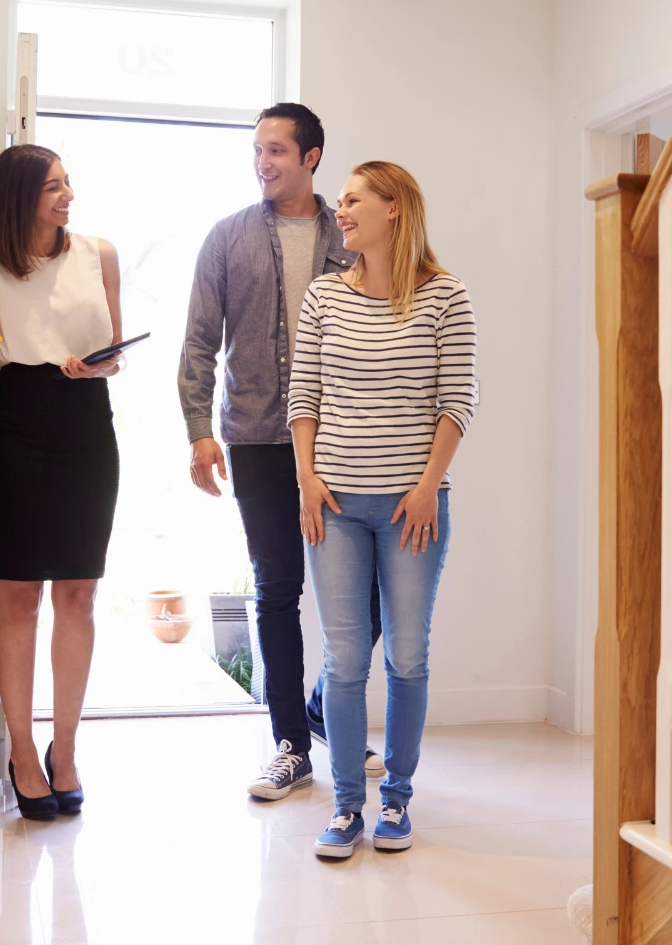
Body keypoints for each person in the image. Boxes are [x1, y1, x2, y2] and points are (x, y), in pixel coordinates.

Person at [179, 103, 385, 800]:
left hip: (347, 436)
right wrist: (199, 430)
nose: (264, 163)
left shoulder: (354, 238)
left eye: (277, 151)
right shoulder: (228, 238)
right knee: (276, 590)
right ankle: (291, 744)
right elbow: (201, 341)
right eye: (258, 151)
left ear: (312, 157)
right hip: (259, 438)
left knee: (370, 592)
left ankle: (323, 704)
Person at [288, 160, 477, 857]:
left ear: (394, 209)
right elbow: (303, 396)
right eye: (339, 202)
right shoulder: (324, 299)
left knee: (407, 656)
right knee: (343, 661)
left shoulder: (445, 296)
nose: (341, 211)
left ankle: (396, 801)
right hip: (332, 505)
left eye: (353, 199)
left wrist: (427, 486)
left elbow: (457, 399)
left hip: (411, 511)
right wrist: (307, 479)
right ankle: (345, 808)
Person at [0, 144, 123, 821]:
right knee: (18, 593)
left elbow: (114, 360)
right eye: (54, 187)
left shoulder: (98, 254)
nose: (69, 195)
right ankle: (22, 750)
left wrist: (97, 367)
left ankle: (66, 749)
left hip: (87, 423)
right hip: (17, 425)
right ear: (19, 197)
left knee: (78, 594)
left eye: (67, 183)